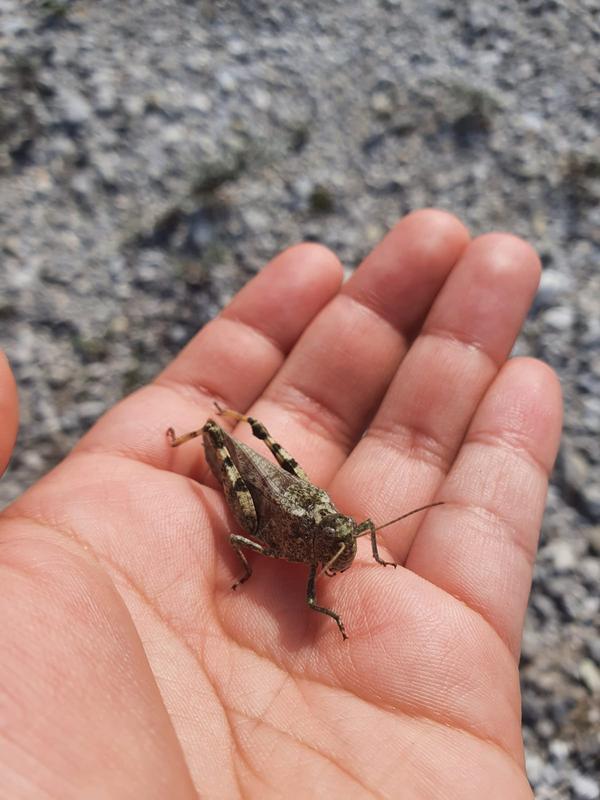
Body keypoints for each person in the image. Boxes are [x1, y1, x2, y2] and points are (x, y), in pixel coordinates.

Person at [0, 209, 561, 798]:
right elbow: (248, 539)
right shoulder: (302, 559)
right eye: (340, 547)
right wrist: (246, 569)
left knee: (292, 484)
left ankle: (220, 436)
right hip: (261, 509)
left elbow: (362, 527)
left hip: (298, 504)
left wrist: (371, 553)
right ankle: (202, 437)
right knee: (239, 488)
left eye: (345, 545)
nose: (341, 556)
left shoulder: (343, 537)